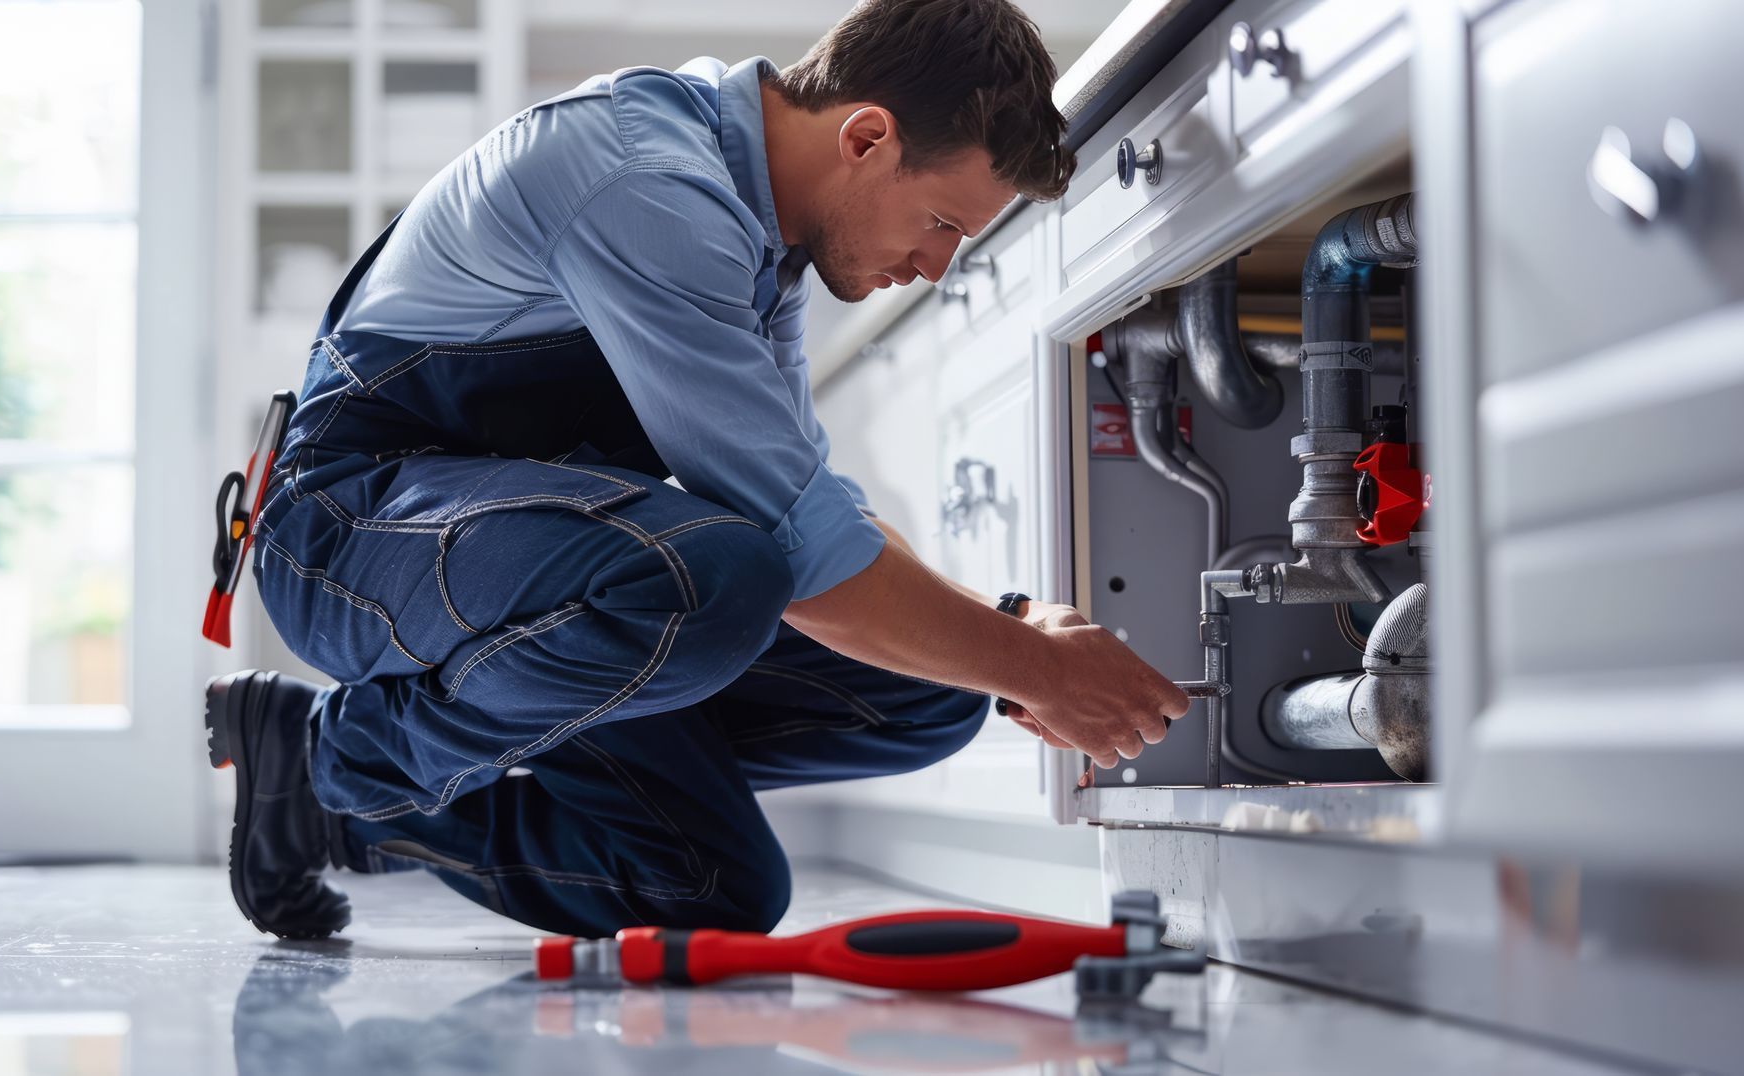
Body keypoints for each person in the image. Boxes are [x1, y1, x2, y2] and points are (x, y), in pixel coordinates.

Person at [205, 0, 1190, 941]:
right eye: (940, 221)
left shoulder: (765, 240)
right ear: (865, 138)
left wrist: (1007, 634)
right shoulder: (643, 179)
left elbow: (805, 507)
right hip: (347, 531)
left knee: (868, 745)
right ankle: (334, 756)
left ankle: (327, 815)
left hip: (526, 584)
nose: (934, 265)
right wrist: (1035, 664)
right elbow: (795, 553)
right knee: (709, 577)